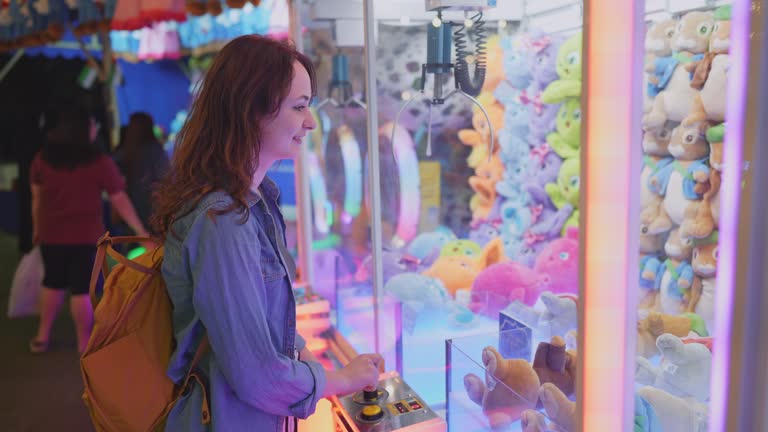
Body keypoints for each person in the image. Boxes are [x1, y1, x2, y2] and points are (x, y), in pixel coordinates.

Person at [151, 35, 383, 431]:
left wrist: (312, 363)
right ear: (250, 112)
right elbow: (255, 374)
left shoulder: (254, 201)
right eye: (299, 107)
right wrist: (340, 380)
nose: (310, 122)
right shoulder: (222, 219)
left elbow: (269, 329)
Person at [30, 105, 149, 354]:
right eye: (92, 124)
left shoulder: (43, 159)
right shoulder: (99, 163)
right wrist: (141, 231)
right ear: (82, 130)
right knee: (82, 290)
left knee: (51, 283)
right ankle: (84, 342)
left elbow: (36, 198)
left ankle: (42, 337)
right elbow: (120, 199)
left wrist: (36, 228)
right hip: (85, 237)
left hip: (51, 235)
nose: (95, 128)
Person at [113, 112, 170, 233]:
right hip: (153, 207)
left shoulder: (123, 153)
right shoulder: (155, 151)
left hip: (130, 209)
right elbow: (166, 178)